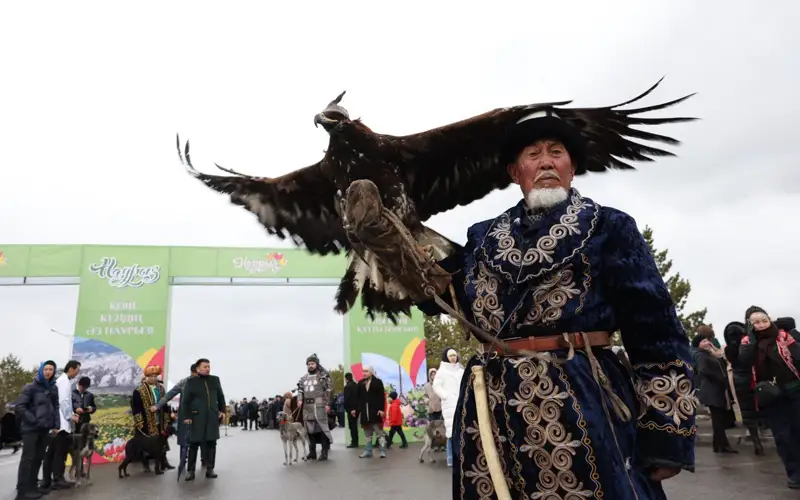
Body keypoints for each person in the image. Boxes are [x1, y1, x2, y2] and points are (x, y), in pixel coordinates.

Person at [395, 111, 695, 498]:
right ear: (514, 172)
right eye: (533, 155)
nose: (547, 162)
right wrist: (399, 254)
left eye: (557, 153)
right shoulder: (482, 237)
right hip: (493, 405)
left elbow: (657, 332)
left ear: (572, 168)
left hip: (583, 400)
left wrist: (665, 433)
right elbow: (449, 298)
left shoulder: (609, 227)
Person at [740, 306, 800, 489]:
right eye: (756, 322)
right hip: (771, 396)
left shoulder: (783, 336)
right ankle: (795, 474)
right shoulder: (747, 342)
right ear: (750, 325)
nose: (761, 324)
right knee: (784, 437)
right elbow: (744, 362)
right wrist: (750, 340)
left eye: (764, 320)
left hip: (794, 390)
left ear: (770, 320)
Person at [15, 361, 59, 500]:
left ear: (53, 371)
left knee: (38, 458)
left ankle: (33, 487)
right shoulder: (31, 387)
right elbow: (20, 407)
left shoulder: (53, 388)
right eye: (45, 369)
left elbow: (55, 407)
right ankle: (22, 491)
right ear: (41, 370)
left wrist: (56, 424)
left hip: (45, 429)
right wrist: (34, 420)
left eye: (51, 369)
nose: (48, 372)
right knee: (27, 459)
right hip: (30, 429)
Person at [179, 358, 226, 481]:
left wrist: (222, 411)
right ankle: (191, 471)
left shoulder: (215, 380)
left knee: (211, 443)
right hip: (196, 417)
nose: (207, 369)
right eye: (205, 367)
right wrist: (187, 417)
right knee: (194, 444)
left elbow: (221, 396)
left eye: (208, 366)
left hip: (212, 416)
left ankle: (210, 469)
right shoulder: (191, 382)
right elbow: (186, 402)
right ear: (198, 368)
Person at [691, 330, 736, 453]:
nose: (707, 343)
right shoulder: (700, 355)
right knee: (718, 419)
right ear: (698, 343)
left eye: (707, 340)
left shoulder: (708, 353)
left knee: (718, 419)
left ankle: (719, 445)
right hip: (712, 390)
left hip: (715, 389)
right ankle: (722, 445)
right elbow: (703, 370)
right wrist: (719, 378)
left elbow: (720, 357)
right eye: (704, 341)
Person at [723, 321, 764, 455]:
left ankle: (756, 441)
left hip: (738, 381)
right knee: (760, 407)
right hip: (752, 378)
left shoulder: (729, 349)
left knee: (747, 411)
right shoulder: (747, 346)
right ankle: (760, 434)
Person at [41, 359, 80, 491]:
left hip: (59, 422)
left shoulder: (62, 381)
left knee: (52, 453)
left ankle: (49, 480)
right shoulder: (64, 382)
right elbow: (63, 402)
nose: (77, 373)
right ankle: (58, 479)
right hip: (62, 423)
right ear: (72, 369)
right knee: (59, 453)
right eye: (77, 370)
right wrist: (70, 416)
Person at [131, 365, 174, 472]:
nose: (153, 378)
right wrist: (139, 422)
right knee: (146, 443)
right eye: (151, 376)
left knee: (162, 442)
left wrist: (168, 417)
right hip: (146, 421)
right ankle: (146, 465)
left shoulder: (161, 389)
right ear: (146, 377)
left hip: (160, 420)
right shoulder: (139, 390)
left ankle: (164, 462)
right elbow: (136, 408)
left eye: (155, 376)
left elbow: (165, 404)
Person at [297, 354, 333, 461]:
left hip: (319, 406)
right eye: (308, 364)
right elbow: (300, 390)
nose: (310, 366)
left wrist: (327, 404)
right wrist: (299, 399)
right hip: (307, 407)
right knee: (309, 430)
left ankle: (324, 452)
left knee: (322, 429)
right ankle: (312, 452)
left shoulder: (323, 377)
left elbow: (328, 391)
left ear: (317, 364)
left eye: (312, 363)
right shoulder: (304, 378)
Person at [432, 347, 465, 467]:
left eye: (454, 355)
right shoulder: (442, 371)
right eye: (450, 355)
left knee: (461, 431)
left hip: (461, 403)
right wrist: (446, 396)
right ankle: (450, 458)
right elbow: (436, 386)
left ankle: (461, 457)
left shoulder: (461, 371)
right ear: (446, 356)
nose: (453, 358)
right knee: (451, 432)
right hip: (449, 404)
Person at [354, 365, 388, 459]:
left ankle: (382, 451)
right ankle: (368, 451)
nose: (364, 373)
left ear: (371, 372)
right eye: (363, 371)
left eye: (366, 371)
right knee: (367, 434)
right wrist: (356, 409)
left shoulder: (378, 382)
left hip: (375, 412)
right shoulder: (360, 383)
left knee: (380, 434)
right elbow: (358, 398)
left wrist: (381, 409)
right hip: (365, 413)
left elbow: (382, 397)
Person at [343, 373, 360, 448]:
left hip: (351, 409)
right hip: (357, 408)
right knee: (354, 426)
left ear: (346, 378)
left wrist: (351, 409)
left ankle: (354, 442)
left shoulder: (347, 387)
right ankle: (355, 441)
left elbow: (347, 399)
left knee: (352, 426)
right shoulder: (356, 385)